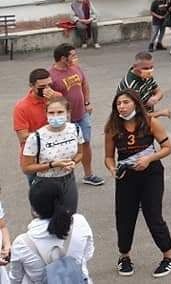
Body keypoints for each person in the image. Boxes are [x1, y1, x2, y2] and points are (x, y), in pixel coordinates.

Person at [104, 90, 171, 278]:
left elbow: (167, 148)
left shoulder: (150, 122)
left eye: (126, 102)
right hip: (126, 176)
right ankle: (124, 256)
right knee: (124, 216)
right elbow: (108, 157)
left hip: (151, 174)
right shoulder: (112, 127)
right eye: (118, 103)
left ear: (135, 104)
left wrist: (149, 159)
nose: (122, 106)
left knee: (153, 215)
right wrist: (112, 169)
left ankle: (169, 256)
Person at [6, 181, 95, 283]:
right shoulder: (79, 222)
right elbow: (88, 253)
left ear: (33, 209)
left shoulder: (22, 243)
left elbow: (15, 279)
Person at [48, 43, 103, 187]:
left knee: (85, 143)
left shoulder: (76, 68)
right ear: (63, 58)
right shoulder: (51, 76)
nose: (75, 57)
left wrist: (87, 103)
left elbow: (84, 85)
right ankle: (61, 177)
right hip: (65, 120)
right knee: (64, 148)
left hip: (82, 114)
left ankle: (88, 174)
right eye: (72, 55)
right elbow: (49, 100)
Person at [20, 98, 82, 213]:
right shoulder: (36, 137)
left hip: (68, 181)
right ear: (46, 114)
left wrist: (73, 162)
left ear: (68, 113)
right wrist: (53, 165)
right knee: (44, 220)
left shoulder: (75, 129)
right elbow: (26, 168)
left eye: (60, 112)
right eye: (51, 113)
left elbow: (80, 153)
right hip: (45, 184)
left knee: (68, 218)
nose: (55, 116)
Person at [13, 69, 61, 187]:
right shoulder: (22, 107)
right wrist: (49, 132)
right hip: (35, 157)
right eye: (42, 86)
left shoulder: (57, 97)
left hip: (58, 152)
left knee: (62, 191)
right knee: (39, 198)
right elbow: (23, 137)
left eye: (50, 84)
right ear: (32, 86)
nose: (47, 89)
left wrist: (54, 102)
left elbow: (66, 121)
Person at [117, 51, 170, 119]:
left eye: (151, 67)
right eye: (145, 68)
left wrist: (155, 98)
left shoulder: (146, 76)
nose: (149, 70)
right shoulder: (131, 86)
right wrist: (161, 113)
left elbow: (159, 91)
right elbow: (134, 116)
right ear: (135, 67)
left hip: (147, 118)